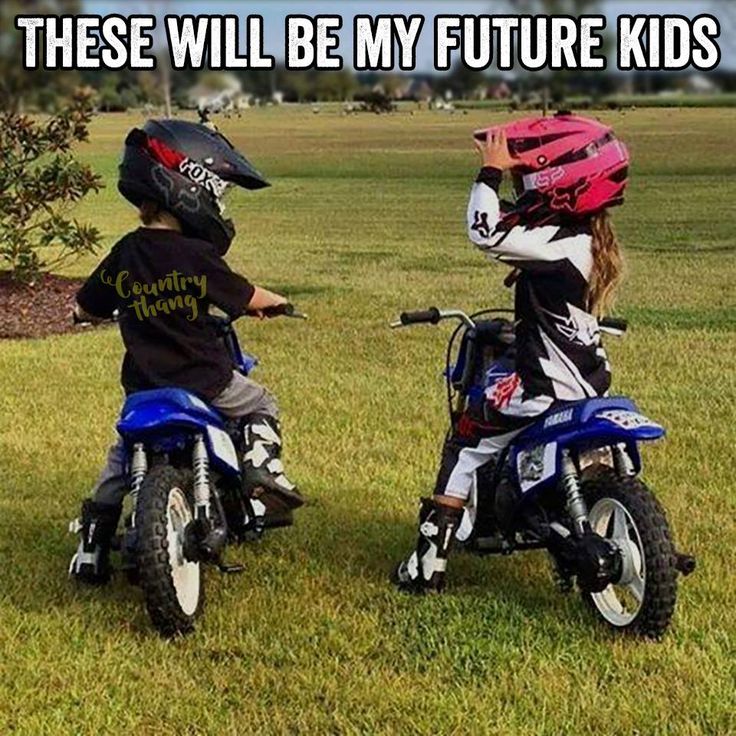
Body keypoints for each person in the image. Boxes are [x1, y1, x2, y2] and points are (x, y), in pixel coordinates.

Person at [394, 114, 630, 593]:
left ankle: (428, 566)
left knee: (465, 441)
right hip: (589, 384)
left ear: (559, 183)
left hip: (545, 389)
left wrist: (490, 171)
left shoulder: (557, 243)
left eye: (531, 178)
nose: (525, 187)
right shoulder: (587, 239)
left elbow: (486, 230)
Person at [70, 119, 304, 585]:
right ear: (194, 188)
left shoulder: (126, 252)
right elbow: (243, 293)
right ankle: (262, 470)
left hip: (143, 384)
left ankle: (92, 546)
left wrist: (82, 313)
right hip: (204, 378)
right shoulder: (196, 256)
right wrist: (275, 303)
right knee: (260, 403)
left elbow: (88, 304)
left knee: (119, 464)